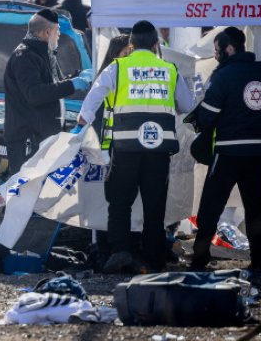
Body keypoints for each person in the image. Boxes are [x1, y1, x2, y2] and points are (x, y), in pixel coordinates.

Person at [75, 20, 194, 273]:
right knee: (154, 206)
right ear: (155, 44)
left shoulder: (117, 67)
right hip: (158, 151)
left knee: (119, 203)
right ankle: (154, 258)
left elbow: (94, 97)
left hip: (126, 148)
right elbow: (186, 105)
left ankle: (120, 252)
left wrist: (83, 118)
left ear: (131, 44)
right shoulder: (169, 69)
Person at [189, 27, 261, 277]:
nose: (216, 55)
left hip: (227, 152)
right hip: (258, 152)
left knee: (210, 207)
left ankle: (199, 258)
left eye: (217, 50)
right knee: (257, 209)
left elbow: (207, 117)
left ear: (230, 48)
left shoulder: (223, 76)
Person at [3, 8, 92, 173]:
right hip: (28, 140)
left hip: (43, 137)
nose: (59, 36)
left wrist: (77, 77)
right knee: (25, 191)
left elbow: (54, 85)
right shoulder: (25, 56)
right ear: (46, 32)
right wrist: (73, 84)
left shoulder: (44, 53)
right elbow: (34, 94)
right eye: (57, 31)